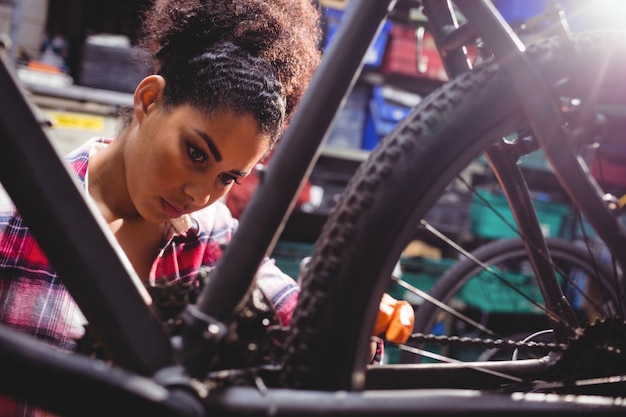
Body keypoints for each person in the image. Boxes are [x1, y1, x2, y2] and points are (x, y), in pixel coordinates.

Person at [0, 0, 412, 413]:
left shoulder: (209, 231)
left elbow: (295, 323)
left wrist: (351, 319)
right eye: (196, 153)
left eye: (228, 177)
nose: (199, 195)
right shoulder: (13, 223)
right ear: (149, 100)